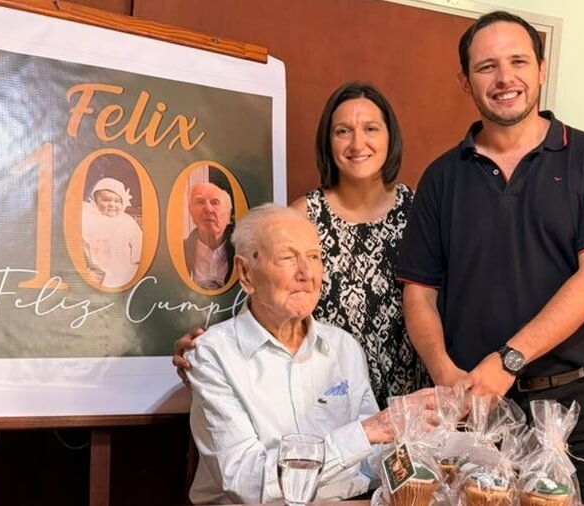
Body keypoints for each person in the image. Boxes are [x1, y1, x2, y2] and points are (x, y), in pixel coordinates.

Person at [395, 11, 584, 506]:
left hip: (582, 407)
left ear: (542, 70)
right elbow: (419, 293)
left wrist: (508, 360)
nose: (505, 79)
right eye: (487, 67)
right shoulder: (441, 179)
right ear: (465, 81)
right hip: (479, 412)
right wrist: (445, 374)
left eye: (518, 62)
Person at [175, 82, 429, 408]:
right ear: (328, 141)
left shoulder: (419, 211)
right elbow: (261, 295)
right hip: (326, 395)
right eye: (342, 131)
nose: (357, 143)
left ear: (390, 137)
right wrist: (209, 347)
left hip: (407, 397)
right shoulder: (302, 216)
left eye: (371, 128)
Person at [185, 203, 433, 504]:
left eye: (314, 257)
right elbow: (248, 483)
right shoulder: (213, 355)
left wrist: (428, 455)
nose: (306, 273)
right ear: (246, 273)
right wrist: (367, 432)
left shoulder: (342, 347)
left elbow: (369, 460)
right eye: (288, 258)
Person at [81, 177, 142, 288]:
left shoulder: (126, 220)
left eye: (117, 201)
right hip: (98, 269)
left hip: (123, 266)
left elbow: (137, 240)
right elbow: (83, 242)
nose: (112, 204)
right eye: (106, 200)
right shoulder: (90, 219)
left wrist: (137, 259)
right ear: (95, 200)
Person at [184, 182, 235, 290]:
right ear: (191, 212)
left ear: (228, 214)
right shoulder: (179, 253)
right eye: (200, 202)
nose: (208, 209)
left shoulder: (244, 252)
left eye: (215, 202)